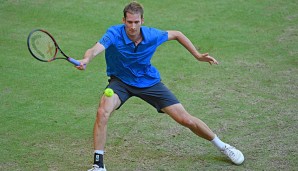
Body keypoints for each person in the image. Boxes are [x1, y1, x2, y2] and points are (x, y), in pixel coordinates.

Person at [77, 2, 244, 171]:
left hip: (149, 82)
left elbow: (177, 34)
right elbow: (94, 49)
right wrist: (86, 59)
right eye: (129, 22)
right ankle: (98, 165)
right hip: (120, 82)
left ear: (142, 20)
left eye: (136, 22)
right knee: (102, 111)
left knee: (185, 119)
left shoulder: (152, 35)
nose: (132, 26)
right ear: (123, 21)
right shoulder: (113, 33)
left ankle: (223, 146)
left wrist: (198, 55)